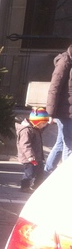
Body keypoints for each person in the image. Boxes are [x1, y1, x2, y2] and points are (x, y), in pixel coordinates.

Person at [45, 44, 72, 175]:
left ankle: (46, 172)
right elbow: (54, 87)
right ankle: (67, 179)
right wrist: (50, 113)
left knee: (62, 143)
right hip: (65, 111)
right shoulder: (65, 61)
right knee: (69, 144)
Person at [16, 107, 50, 193]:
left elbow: (42, 127)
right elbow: (25, 144)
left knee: (40, 173)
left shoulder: (35, 128)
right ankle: (24, 187)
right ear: (36, 122)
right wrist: (30, 156)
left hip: (37, 156)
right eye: (43, 124)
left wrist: (48, 122)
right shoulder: (26, 131)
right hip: (29, 158)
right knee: (29, 173)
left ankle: (37, 186)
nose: (44, 126)